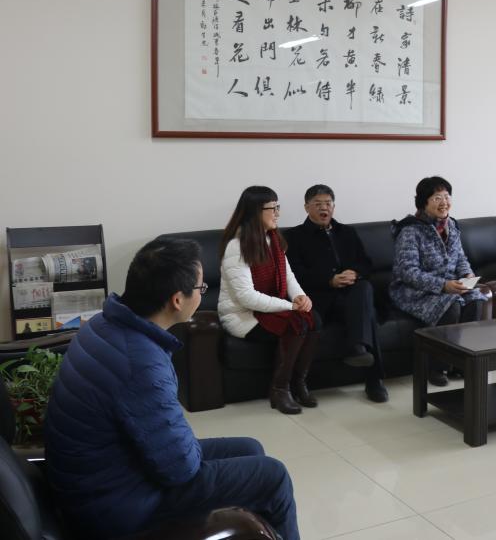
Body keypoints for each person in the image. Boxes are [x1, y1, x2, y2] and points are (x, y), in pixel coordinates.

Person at [44, 237, 298, 540]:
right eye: (201, 288)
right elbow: (180, 469)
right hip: (117, 506)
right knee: (273, 476)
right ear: (178, 300)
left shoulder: (103, 324)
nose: (202, 295)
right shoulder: (140, 362)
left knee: (249, 448)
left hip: (104, 477)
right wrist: (184, 444)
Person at [218, 186, 319, 415]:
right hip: (242, 315)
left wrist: (301, 297)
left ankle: (298, 383)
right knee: (295, 322)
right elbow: (246, 297)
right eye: (272, 208)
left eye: (277, 207)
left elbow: (288, 276)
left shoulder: (273, 238)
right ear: (255, 211)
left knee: (313, 318)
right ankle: (279, 389)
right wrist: (290, 306)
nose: (278, 213)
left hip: (268, 308)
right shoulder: (237, 245)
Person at [286, 184, 389, 403]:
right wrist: (329, 280)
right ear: (306, 208)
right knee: (367, 313)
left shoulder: (347, 232)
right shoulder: (294, 236)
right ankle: (373, 378)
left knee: (364, 289)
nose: (324, 208)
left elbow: (366, 264)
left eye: (328, 203)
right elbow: (294, 274)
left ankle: (361, 353)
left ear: (333, 206)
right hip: (321, 300)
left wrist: (355, 273)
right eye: (317, 204)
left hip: (352, 297)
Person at [390, 176, 487, 386]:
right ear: (423, 202)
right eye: (437, 198)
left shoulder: (451, 225)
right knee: (450, 306)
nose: (444, 202)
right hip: (413, 290)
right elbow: (408, 272)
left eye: (446, 196)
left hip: (449, 285)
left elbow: (460, 258)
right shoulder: (410, 230)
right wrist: (443, 285)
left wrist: (468, 275)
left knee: (476, 300)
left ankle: (462, 363)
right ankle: (436, 367)